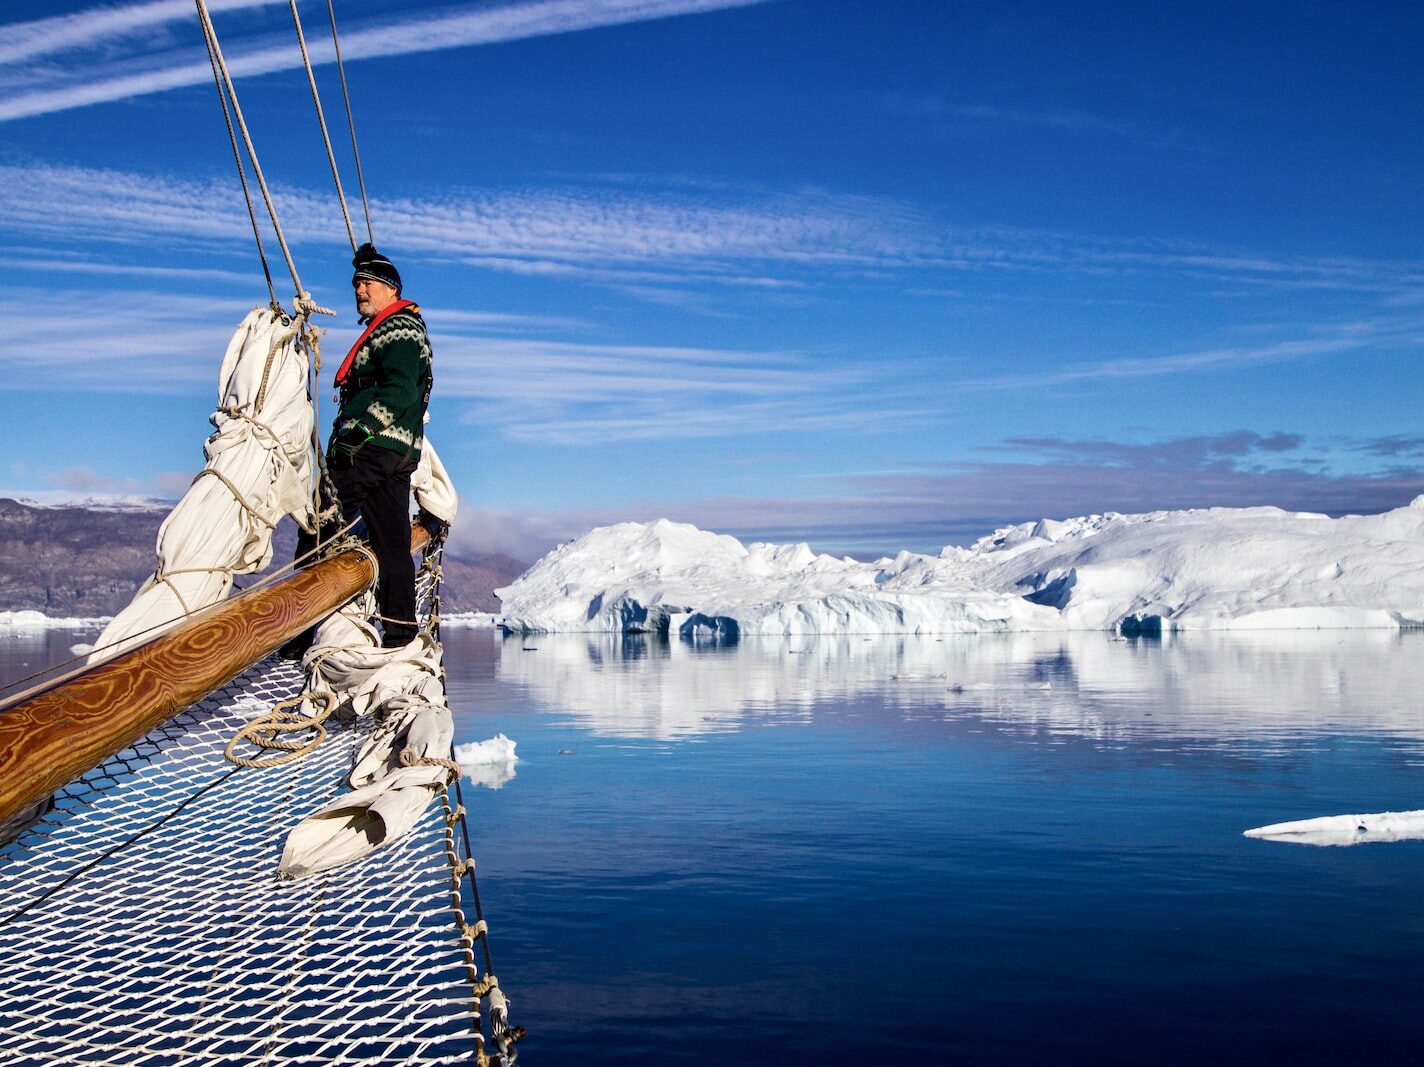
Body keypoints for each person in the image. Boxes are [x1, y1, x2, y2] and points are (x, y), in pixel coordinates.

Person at [283, 242, 434, 657]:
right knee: (392, 539)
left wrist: (360, 432)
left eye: (367, 283)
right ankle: (400, 633)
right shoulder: (398, 327)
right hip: (392, 450)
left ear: (390, 289)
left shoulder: (399, 329)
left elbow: (400, 389)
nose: (360, 290)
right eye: (356, 284)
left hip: (371, 449)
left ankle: (297, 634)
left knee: (318, 526)